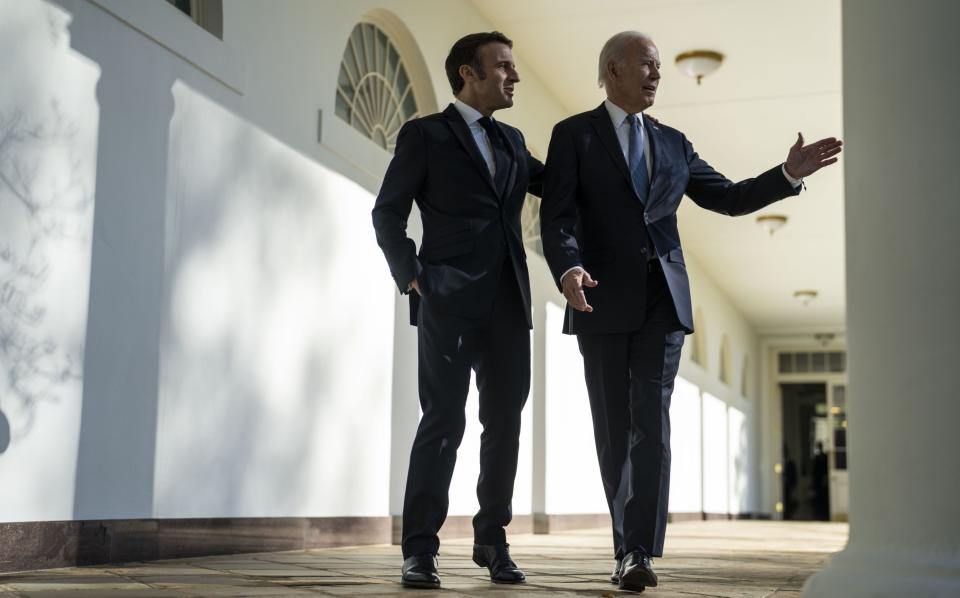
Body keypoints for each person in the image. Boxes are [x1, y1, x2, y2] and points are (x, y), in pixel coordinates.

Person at [539, 31, 842, 593]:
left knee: (650, 422)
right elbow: (555, 216)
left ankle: (637, 552)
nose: (657, 74)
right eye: (647, 65)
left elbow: (727, 196)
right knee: (613, 426)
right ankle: (624, 541)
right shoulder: (573, 135)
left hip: (662, 299)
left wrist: (788, 174)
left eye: (659, 66)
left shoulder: (675, 142)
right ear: (612, 69)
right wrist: (568, 268)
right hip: (600, 296)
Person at [371, 31, 544, 589]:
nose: (513, 76)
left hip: (509, 303)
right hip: (447, 298)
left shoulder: (515, 141)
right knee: (443, 421)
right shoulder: (426, 135)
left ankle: (492, 541)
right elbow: (388, 213)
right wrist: (413, 273)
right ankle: (419, 548)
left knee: (505, 425)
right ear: (469, 73)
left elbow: (567, 183)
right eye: (504, 67)